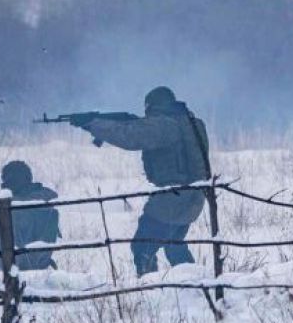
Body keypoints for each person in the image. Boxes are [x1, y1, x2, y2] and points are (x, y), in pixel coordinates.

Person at [73, 86, 209, 275]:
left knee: (142, 248)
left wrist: (94, 124)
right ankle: (195, 284)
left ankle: (150, 290)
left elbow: (130, 136)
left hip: (172, 198)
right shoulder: (190, 122)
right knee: (174, 245)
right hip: (193, 196)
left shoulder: (165, 125)